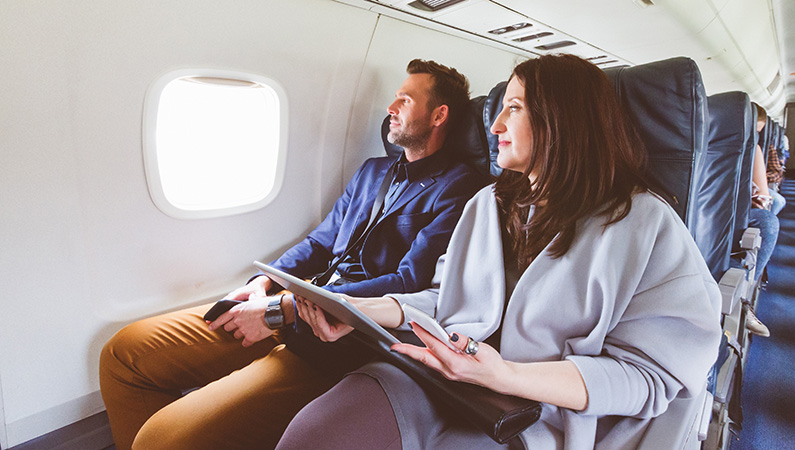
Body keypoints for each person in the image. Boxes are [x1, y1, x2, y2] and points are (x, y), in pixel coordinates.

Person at [277, 54, 722, 449]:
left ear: (562, 118)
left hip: (542, 411)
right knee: (315, 436)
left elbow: (649, 377)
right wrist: (360, 308)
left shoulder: (645, 224)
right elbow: (444, 298)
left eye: (514, 108)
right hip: (443, 373)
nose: (494, 127)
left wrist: (507, 376)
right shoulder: (488, 204)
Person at [99, 59, 486, 450]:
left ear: (439, 115)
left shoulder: (461, 188)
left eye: (404, 100)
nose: (391, 107)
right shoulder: (373, 171)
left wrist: (286, 306)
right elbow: (320, 242)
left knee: (160, 441)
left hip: (338, 341)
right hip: (290, 302)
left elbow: (407, 283)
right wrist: (263, 283)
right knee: (124, 354)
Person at [744, 104, 780, 337]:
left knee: (771, 215)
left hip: (741, 209)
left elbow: (765, 195)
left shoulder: (755, 149)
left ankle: (744, 295)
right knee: (771, 215)